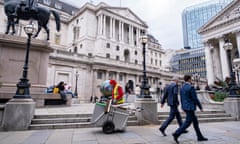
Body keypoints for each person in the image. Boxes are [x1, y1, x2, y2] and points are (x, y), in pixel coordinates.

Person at [172, 75, 208, 144]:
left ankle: (199, 136)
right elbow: (195, 99)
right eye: (191, 79)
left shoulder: (182, 88)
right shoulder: (191, 87)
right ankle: (176, 133)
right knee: (187, 122)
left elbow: (181, 99)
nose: (191, 80)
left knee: (195, 122)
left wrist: (182, 107)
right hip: (190, 107)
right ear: (189, 79)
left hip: (186, 107)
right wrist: (200, 107)